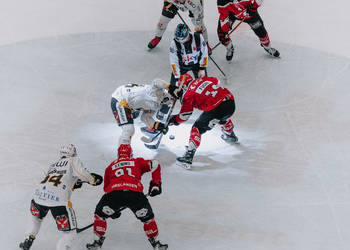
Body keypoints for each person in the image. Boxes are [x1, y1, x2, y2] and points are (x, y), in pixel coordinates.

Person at [19, 144, 103, 250]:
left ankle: (28, 239)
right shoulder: (73, 160)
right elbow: (82, 173)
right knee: (70, 233)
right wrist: (92, 180)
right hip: (58, 200)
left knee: (36, 218)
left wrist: (73, 183)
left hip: (38, 196)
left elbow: (57, 179)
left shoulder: (53, 165)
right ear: (72, 153)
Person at [86, 144, 168, 250]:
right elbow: (155, 164)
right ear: (131, 154)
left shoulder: (110, 166)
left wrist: (114, 209)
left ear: (118, 154)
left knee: (100, 215)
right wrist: (156, 184)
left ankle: (96, 244)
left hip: (114, 194)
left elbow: (106, 188)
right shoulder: (136, 161)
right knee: (148, 219)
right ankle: (156, 244)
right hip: (135, 194)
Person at [168, 74, 238, 169]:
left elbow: (184, 116)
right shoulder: (204, 79)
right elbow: (216, 80)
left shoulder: (188, 93)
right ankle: (230, 135)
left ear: (183, 86)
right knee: (220, 117)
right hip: (230, 101)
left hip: (216, 108)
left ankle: (188, 157)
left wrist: (173, 120)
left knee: (196, 128)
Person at [111, 80, 173, 145]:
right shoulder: (156, 91)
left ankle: (145, 128)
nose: (161, 107)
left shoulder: (156, 106)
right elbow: (156, 82)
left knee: (135, 118)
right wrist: (170, 87)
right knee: (128, 129)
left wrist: (157, 125)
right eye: (165, 100)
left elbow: (145, 117)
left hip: (130, 101)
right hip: (121, 98)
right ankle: (123, 153)